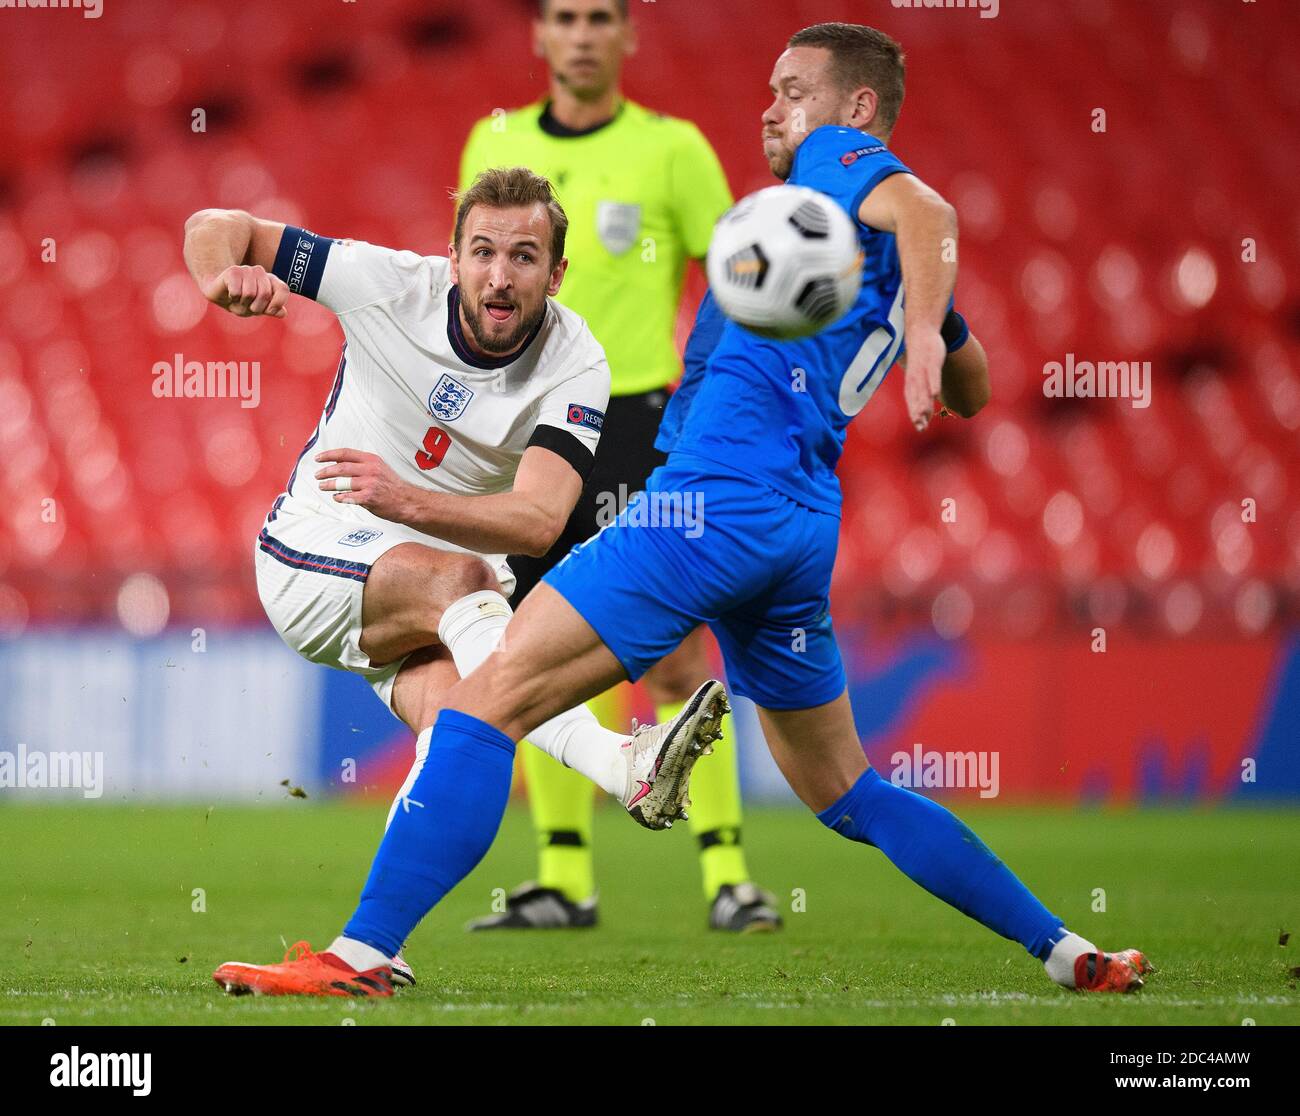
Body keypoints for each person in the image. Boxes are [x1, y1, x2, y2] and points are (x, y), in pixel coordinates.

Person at [212, 23, 1152, 998]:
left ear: (856, 109)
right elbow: (973, 388)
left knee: (488, 697)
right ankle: (1064, 951)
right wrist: (927, 325)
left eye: (793, 90)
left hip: (708, 507)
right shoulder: (856, 248)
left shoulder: (839, 171)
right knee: (846, 791)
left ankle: (362, 953)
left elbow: (927, 204)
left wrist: (918, 318)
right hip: (798, 527)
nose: (771, 107)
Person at [186, 167, 725, 997]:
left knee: (472, 735)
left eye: (523, 256)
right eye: (482, 252)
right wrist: (224, 276)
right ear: (453, 257)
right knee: (469, 584)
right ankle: (621, 765)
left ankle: (365, 954)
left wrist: (406, 500)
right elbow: (217, 220)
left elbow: (541, 520)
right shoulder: (385, 286)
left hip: (441, 596)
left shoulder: (576, 359)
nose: (499, 275)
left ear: (556, 273)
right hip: (314, 550)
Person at [457, 0, 779, 934]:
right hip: (524, 424)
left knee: (672, 646)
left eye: (602, 16)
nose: (585, 33)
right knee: (533, 645)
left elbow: (739, 286)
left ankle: (728, 877)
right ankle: (564, 879)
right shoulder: (498, 137)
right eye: (566, 16)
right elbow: (473, 276)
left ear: (627, 36)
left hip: (636, 421)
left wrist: (722, 412)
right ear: (540, 36)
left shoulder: (672, 148)